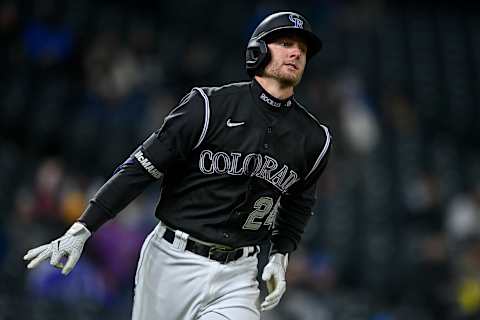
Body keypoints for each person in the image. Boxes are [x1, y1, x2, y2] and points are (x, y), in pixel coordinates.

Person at [23, 11, 332, 320]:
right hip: (172, 260)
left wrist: (280, 254)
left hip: (239, 274)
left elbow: (299, 204)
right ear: (258, 51)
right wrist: (84, 225)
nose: (296, 52)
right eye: (286, 43)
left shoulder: (314, 138)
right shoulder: (209, 106)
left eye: (303, 50)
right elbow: (141, 168)